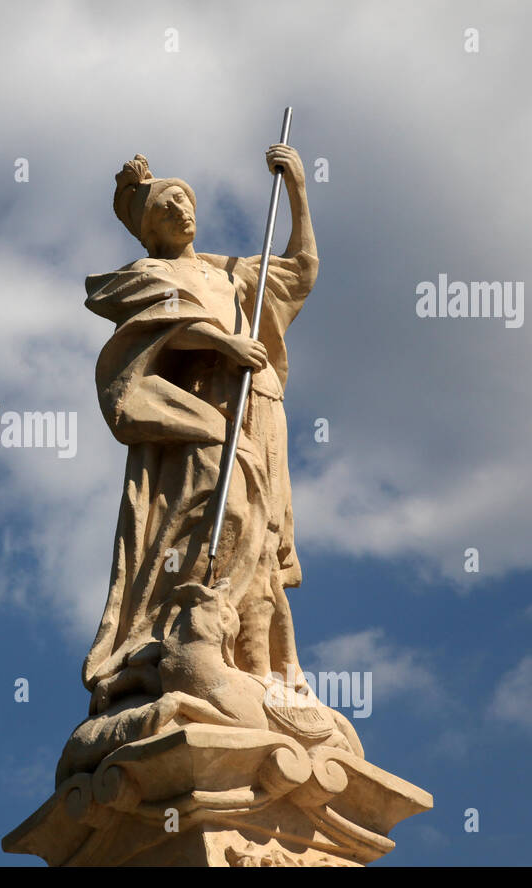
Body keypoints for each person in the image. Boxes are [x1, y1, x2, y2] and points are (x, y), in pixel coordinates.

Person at [56, 148, 361, 784]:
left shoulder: (230, 272)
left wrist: (299, 191)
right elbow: (151, 331)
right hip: (199, 417)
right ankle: (183, 644)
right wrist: (222, 341)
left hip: (258, 409)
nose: (184, 210)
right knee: (214, 522)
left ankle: (265, 672)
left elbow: (302, 271)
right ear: (150, 229)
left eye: (187, 200)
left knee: (265, 540)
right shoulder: (144, 274)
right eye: (169, 206)